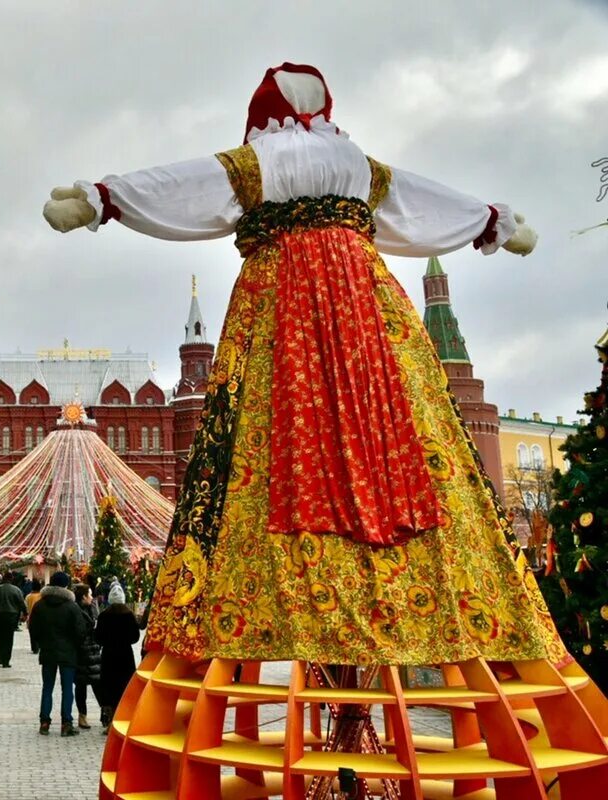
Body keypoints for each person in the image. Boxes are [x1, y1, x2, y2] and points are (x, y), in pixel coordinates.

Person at [42, 62, 565, 670]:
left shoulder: (257, 163)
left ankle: (231, 637)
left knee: (257, 446)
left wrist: (104, 198)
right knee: (410, 432)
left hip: (278, 310)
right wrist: (492, 221)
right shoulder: (356, 166)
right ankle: (456, 620)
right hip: (367, 315)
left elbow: (182, 185)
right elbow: (423, 201)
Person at [27, 571, 85, 737]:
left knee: (47, 687)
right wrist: (75, 645)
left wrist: (41, 643)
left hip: (48, 652)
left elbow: (33, 628)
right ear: (66, 585)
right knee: (67, 688)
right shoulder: (72, 607)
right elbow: (80, 631)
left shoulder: (40, 605)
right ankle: (66, 723)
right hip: (68, 653)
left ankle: (44, 722)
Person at [95, 583, 140, 730]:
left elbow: (98, 637)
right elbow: (135, 637)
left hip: (108, 655)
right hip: (125, 656)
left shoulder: (104, 616)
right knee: (124, 686)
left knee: (109, 687)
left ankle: (109, 719)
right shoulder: (129, 615)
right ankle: (123, 719)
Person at [73, 583, 102, 730]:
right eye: (89, 594)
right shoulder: (75, 610)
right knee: (81, 686)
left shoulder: (92, 608)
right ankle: (82, 715)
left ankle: (105, 714)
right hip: (81, 653)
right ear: (83, 596)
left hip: (94, 652)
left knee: (98, 684)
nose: (91, 597)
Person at [0, 575, 27, 667]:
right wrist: (25, 613)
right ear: (11, 579)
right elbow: (21, 602)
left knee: (0, 637)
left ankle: (0, 658)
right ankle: (6, 661)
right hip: (12, 616)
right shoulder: (16, 590)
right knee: (9, 638)